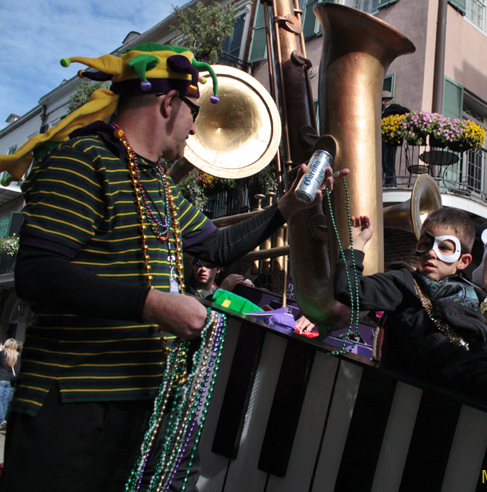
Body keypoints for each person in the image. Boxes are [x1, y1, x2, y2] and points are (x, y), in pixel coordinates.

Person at [0, 43, 345, 492]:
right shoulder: (81, 159)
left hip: (133, 403)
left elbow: (219, 246)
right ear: (168, 103)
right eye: (194, 114)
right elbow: (38, 273)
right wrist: (153, 305)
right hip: (70, 404)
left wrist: (288, 206)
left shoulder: (156, 184)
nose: (194, 131)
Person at [333, 208, 487, 408]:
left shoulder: (478, 295)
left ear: (464, 261)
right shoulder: (404, 281)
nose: (431, 252)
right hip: (436, 377)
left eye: (444, 247)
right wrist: (357, 244)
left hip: (485, 369)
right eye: (425, 244)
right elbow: (349, 289)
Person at [185, 258, 254, 300]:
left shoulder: (216, 289)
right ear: (193, 265)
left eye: (209, 265)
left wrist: (245, 291)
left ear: (218, 269)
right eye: (198, 263)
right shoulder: (182, 290)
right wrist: (221, 292)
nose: (203, 269)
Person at [381, 90, 410, 186]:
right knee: (385, 161)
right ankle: (387, 180)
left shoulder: (394, 107)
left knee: (389, 161)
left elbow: (407, 112)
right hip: (385, 140)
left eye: (383, 100)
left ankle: (391, 182)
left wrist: (397, 124)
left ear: (386, 100)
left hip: (391, 140)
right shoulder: (383, 111)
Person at [0, 338, 18, 431]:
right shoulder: (16, 355)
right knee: (5, 402)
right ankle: (4, 420)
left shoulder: (2, 354)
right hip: (10, 380)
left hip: (1, 379)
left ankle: (1, 420)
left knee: (0, 400)